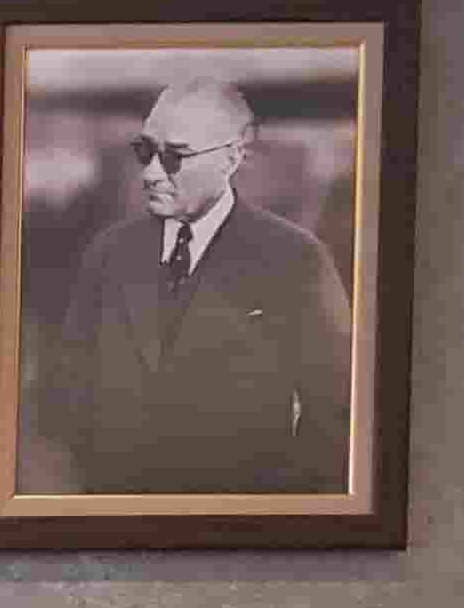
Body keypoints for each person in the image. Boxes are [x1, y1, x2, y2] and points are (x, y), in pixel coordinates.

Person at [39, 78, 354, 496]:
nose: (151, 173)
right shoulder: (108, 253)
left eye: (175, 156)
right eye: (145, 151)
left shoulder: (297, 261)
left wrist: (269, 515)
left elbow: (335, 421)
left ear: (231, 158)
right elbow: (64, 402)